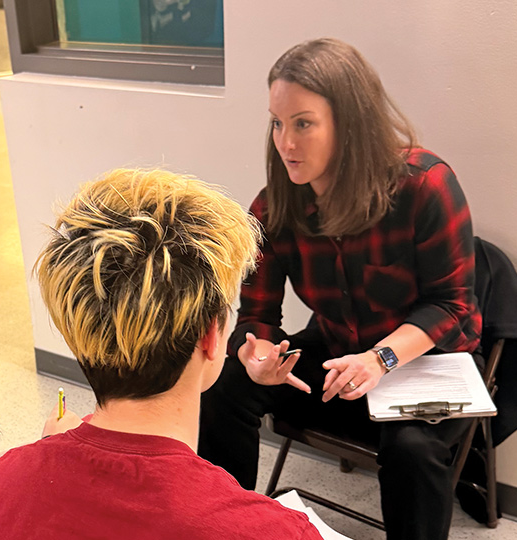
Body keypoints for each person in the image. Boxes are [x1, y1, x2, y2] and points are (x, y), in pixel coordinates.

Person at [197, 38, 482, 540]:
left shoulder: (424, 186)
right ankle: (228, 529)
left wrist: (380, 360)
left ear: (349, 122)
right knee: (223, 385)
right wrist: (258, 355)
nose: (285, 142)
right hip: (340, 359)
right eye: (277, 123)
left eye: (303, 123)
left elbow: (452, 306)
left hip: (423, 362)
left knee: (413, 451)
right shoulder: (274, 207)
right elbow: (257, 313)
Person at [0, 169, 322, 540]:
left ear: (79, 327)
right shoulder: (277, 531)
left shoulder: (1, 484)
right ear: (211, 336)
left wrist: (45, 461)